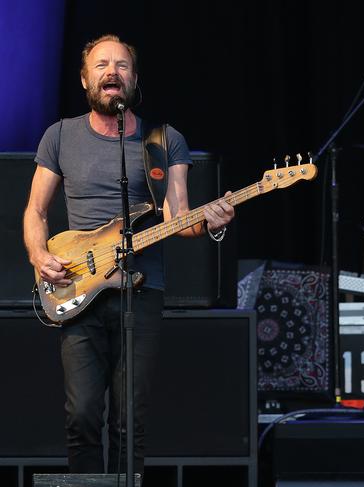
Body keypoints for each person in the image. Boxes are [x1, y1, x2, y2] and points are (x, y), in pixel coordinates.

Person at [23, 34, 235, 474]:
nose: (111, 73)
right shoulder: (59, 135)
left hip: (141, 290)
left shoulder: (162, 140)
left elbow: (181, 217)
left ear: (134, 79)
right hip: (78, 285)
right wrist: (38, 255)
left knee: (128, 419)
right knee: (81, 414)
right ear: (85, 79)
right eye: (101, 65)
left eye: (121, 66)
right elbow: (35, 210)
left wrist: (210, 221)